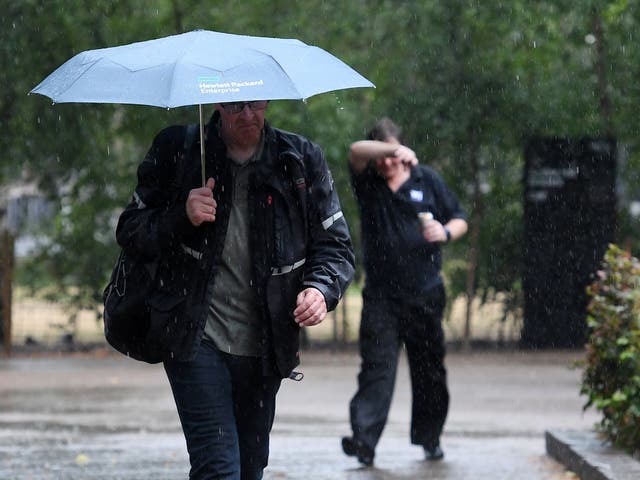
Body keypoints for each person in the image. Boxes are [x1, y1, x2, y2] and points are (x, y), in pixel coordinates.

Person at [116, 100, 355, 479]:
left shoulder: (298, 159)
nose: (247, 114)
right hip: (193, 337)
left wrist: (320, 290)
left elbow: (335, 246)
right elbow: (131, 229)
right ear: (215, 103)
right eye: (234, 105)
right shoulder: (179, 150)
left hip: (265, 347)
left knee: (248, 468)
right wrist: (181, 214)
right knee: (218, 469)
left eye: (255, 104)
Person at [341, 117, 467, 466]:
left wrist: (445, 232)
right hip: (381, 296)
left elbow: (460, 217)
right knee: (377, 369)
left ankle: (430, 438)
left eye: (392, 156)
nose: (387, 163)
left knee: (429, 370)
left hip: (425, 293)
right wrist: (394, 150)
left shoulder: (427, 179)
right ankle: (363, 441)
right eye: (383, 155)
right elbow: (355, 151)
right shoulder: (368, 182)